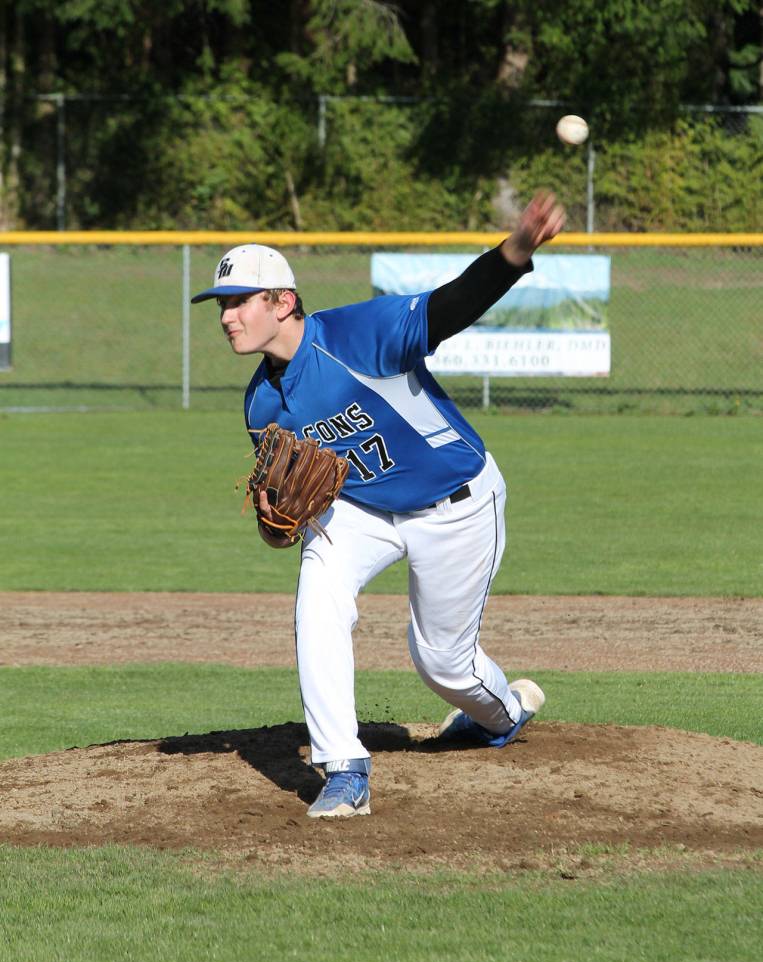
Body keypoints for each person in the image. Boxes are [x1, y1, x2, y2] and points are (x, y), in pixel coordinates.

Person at [191, 191, 566, 819]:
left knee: (443, 664)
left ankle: (504, 713)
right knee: (318, 600)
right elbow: (285, 517)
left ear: (282, 302)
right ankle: (344, 768)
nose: (227, 317)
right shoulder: (261, 407)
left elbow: (450, 307)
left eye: (238, 302)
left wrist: (516, 251)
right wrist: (276, 523)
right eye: (221, 306)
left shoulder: (358, 335)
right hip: (361, 512)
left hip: (456, 503)